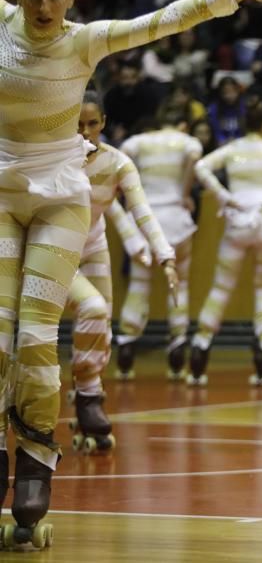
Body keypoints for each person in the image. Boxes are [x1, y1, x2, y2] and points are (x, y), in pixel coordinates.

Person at [0, 0, 262, 548]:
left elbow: (163, 19)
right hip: (1, 189)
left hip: (60, 193)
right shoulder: (3, 27)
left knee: (33, 336)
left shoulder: (86, 39)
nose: (45, 7)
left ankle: (34, 456)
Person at [65, 92, 176, 455]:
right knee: (90, 311)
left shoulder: (118, 163)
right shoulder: (50, 157)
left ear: (104, 123)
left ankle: (87, 395)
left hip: (93, 245)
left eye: (92, 124)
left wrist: (164, 255)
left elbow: (139, 210)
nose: (84, 132)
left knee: (102, 322)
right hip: (54, 248)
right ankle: (84, 395)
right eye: (77, 124)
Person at [188, 103, 262, 386]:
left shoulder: (232, 149)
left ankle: (200, 347)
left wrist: (222, 195)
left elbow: (201, 167)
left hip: (238, 220)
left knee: (221, 286)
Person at [116, 113, 203, 382]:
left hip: (144, 216)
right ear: (182, 123)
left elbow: (121, 161)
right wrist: (185, 193)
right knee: (181, 283)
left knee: (139, 284)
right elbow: (195, 156)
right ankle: (177, 350)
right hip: (175, 215)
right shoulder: (187, 141)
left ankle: (126, 349)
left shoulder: (137, 141)